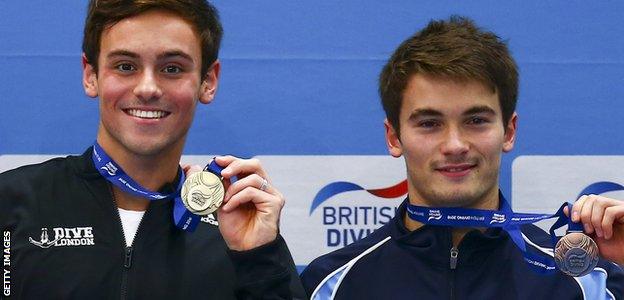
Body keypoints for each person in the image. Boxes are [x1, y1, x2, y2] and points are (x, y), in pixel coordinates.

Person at [300, 16, 624, 299]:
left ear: (509, 132)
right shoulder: (331, 285)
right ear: (394, 137)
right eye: (429, 123)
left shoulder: (587, 283)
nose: (454, 144)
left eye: (476, 120)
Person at [0, 0, 305, 298]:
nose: (147, 88)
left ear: (208, 81)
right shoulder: (12, 205)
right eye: (125, 66)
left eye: (172, 69)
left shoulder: (237, 233)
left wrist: (259, 260)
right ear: (90, 75)